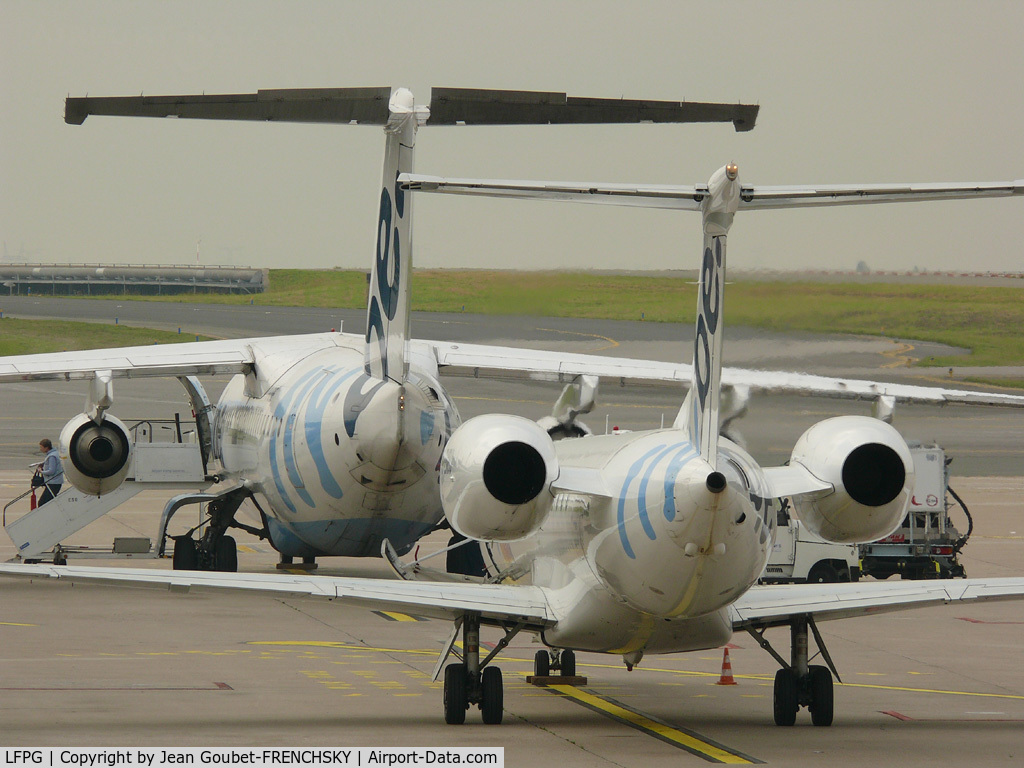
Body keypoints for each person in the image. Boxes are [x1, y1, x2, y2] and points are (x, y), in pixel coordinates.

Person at [35, 438, 64, 505]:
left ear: (46, 448)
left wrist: (41, 471)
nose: (40, 449)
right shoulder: (55, 453)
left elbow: (51, 471)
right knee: (47, 502)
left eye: (41, 447)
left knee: (43, 503)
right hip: (55, 482)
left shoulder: (52, 456)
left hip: (53, 483)